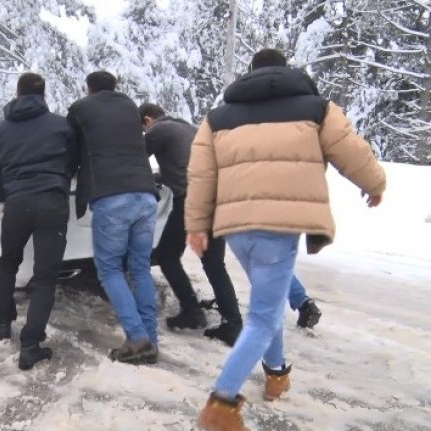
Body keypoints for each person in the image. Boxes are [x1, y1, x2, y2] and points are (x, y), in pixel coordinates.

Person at [187, 48, 386, 430]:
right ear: (286, 70)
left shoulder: (217, 119)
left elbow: (201, 177)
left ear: (249, 74)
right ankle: (221, 404)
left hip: (236, 229)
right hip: (279, 228)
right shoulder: (316, 108)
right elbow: (352, 152)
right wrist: (374, 184)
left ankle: (276, 374)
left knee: (269, 304)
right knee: (264, 316)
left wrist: (197, 226)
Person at [67, 71, 160, 364]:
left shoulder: (81, 108)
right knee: (141, 268)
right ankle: (151, 340)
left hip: (112, 196)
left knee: (109, 269)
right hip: (145, 195)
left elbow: (69, 149)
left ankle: (137, 337)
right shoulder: (130, 106)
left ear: (88, 89)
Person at [0, 72, 78, 370]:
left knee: (8, 262)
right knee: (45, 276)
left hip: (16, 202)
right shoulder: (61, 124)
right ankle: (30, 344)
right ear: (43, 95)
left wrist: (4, 197)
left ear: (17, 93)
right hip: (52, 201)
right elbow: (73, 160)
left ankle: (3, 322)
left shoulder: (0, 130)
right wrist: (61, 181)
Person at [139, 103, 243, 346]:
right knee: (214, 263)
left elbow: (132, 159)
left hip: (192, 200)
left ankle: (192, 311)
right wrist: (161, 176)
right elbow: (184, 164)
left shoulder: (158, 131)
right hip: (217, 199)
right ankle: (233, 324)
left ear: (147, 120)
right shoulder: (189, 129)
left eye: (143, 129)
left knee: (166, 255)